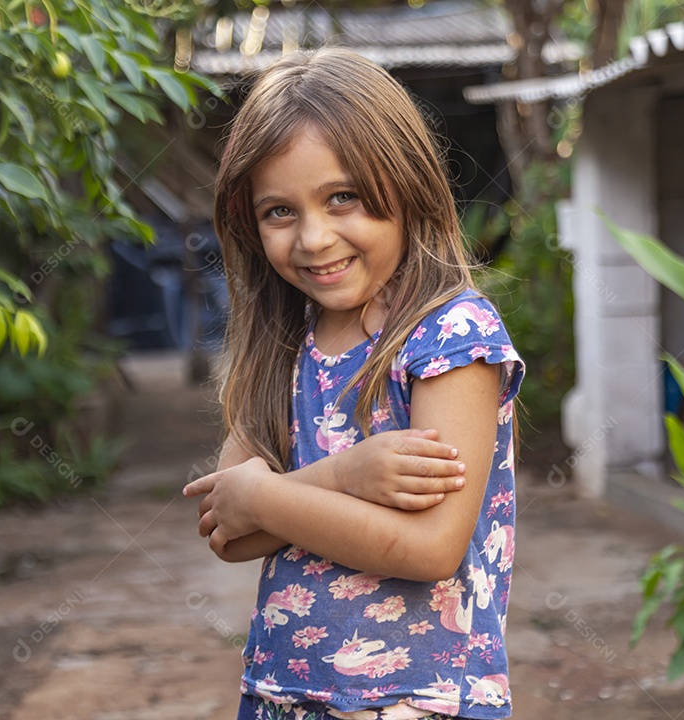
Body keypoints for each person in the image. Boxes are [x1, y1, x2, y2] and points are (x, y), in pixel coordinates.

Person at [183, 48, 525, 720]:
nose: (314, 238)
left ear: (407, 186)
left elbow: (431, 547)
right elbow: (229, 527)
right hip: (282, 694)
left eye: (344, 198)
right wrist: (343, 478)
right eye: (279, 212)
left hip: (417, 701)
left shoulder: (450, 336)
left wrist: (263, 496)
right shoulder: (286, 341)